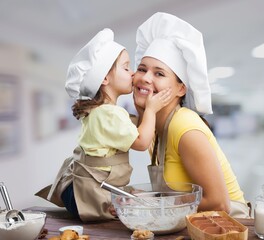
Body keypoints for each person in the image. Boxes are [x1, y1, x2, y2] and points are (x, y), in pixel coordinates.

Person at [36, 28, 171, 222]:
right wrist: (150, 110)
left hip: (76, 188)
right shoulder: (109, 113)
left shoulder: (98, 110)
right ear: (104, 78)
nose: (133, 73)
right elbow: (141, 142)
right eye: (126, 68)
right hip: (87, 196)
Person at [132, 12, 250, 218]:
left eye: (159, 73)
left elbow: (219, 203)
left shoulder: (184, 126)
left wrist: (151, 204)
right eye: (142, 69)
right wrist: (141, 198)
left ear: (181, 89)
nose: (146, 78)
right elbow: (180, 194)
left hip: (228, 226)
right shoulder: (153, 127)